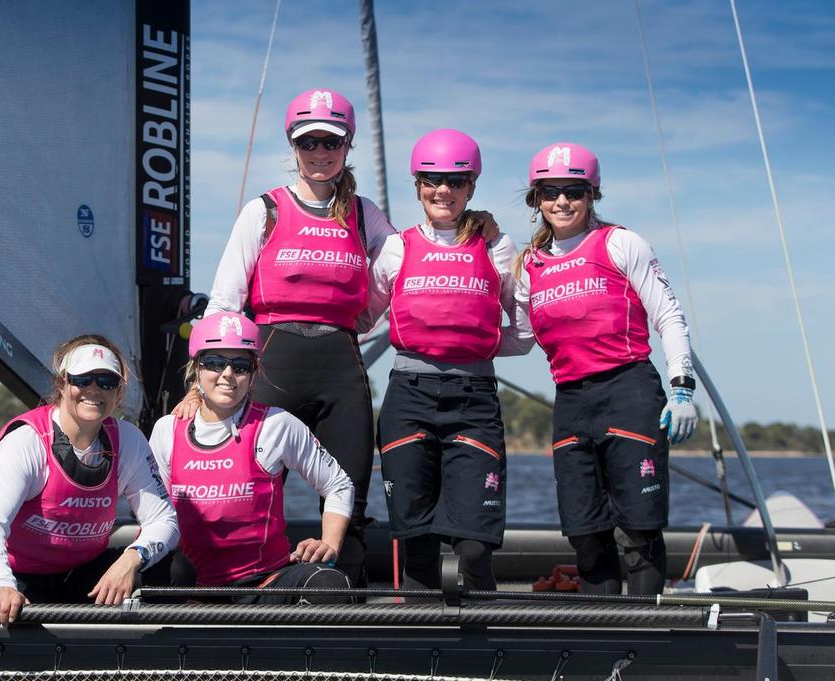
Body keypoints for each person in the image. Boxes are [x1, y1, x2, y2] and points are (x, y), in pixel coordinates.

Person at [175, 87, 396, 586]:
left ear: (347, 147)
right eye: (308, 142)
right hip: (273, 363)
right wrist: (197, 384)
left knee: (350, 502)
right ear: (293, 148)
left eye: (331, 143)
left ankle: (347, 616)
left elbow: (401, 266)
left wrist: (478, 232)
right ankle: (218, 606)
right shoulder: (264, 211)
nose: (320, 153)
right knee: (239, 492)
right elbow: (226, 303)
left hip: (340, 366)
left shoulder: (364, 215)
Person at [515, 142, 698, 595]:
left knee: (637, 530)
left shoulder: (621, 243)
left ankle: (645, 639)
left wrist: (682, 390)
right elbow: (516, 338)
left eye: (574, 191)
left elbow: (669, 316)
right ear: (536, 198)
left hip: (629, 391)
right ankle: (601, 636)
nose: (562, 201)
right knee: (586, 533)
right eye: (550, 191)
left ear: (592, 193)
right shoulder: (530, 265)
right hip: (571, 401)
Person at [368, 129, 533, 593]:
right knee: (416, 539)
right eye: (431, 180)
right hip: (408, 397)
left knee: (475, 544)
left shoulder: (497, 246)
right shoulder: (395, 249)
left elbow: (522, 336)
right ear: (417, 185)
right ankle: (419, 648)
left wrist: (468, 341)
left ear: (471, 188)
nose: (442, 190)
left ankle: (479, 647)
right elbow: (362, 316)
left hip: (474, 399)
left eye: (455, 181)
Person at [0, 335, 179, 625]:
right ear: (62, 384)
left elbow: (164, 521)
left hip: (72, 572)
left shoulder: (129, 441)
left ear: (118, 394)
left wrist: (131, 559)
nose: (94, 390)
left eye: (107, 382)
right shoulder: (27, 442)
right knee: (23, 624)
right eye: (82, 380)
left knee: (173, 571)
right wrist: (0, 584)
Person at [150, 311, 355, 603]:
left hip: (264, 583)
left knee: (329, 586)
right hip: (191, 584)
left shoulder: (277, 424)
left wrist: (329, 544)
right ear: (196, 369)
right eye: (215, 363)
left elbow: (339, 485)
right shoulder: (167, 429)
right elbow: (152, 514)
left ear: (254, 371)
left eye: (240, 366)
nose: (227, 375)